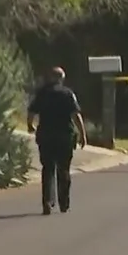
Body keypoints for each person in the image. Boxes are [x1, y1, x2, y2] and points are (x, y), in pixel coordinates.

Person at [27, 67, 87, 214]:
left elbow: (31, 111)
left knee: (47, 170)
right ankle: (64, 203)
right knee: (64, 170)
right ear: (62, 78)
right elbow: (76, 115)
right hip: (64, 137)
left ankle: (48, 201)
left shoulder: (42, 93)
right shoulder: (68, 94)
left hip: (46, 136)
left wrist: (30, 125)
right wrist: (82, 134)